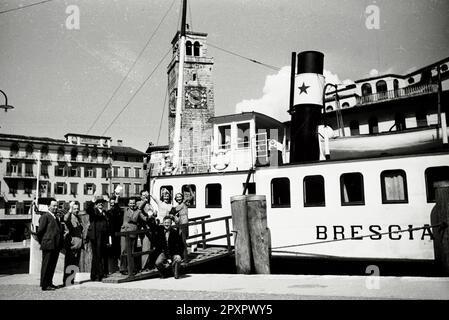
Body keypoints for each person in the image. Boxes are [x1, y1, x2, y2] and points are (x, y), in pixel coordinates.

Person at [35, 200, 63, 291]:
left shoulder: (55, 217)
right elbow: (40, 232)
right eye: (54, 206)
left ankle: (49, 282)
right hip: (48, 245)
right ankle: (44, 285)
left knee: (52, 265)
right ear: (49, 206)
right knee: (46, 265)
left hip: (55, 246)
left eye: (57, 206)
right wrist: (43, 242)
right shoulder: (45, 216)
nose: (55, 208)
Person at [119, 198, 149, 275]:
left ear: (136, 204)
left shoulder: (138, 211)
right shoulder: (126, 210)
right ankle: (123, 268)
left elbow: (145, 218)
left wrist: (151, 217)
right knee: (124, 250)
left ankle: (130, 268)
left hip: (133, 233)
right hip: (124, 232)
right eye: (130, 203)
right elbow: (117, 206)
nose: (132, 205)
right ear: (128, 204)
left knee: (132, 251)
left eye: (133, 203)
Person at [86, 197, 110, 281]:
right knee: (97, 256)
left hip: (103, 237)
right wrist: (92, 201)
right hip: (96, 237)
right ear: (96, 205)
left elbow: (107, 226)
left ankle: (98, 274)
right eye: (99, 203)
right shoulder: (94, 212)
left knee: (101, 255)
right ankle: (97, 275)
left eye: (102, 203)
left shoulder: (105, 213)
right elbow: (88, 210)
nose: (101, 204)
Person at [62, 201, 83, 286]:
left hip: (78, 244)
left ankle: (71, 280)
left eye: (77, 208)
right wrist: (70, 210)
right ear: (71, 209)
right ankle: (67, 281)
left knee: (75, 263)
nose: (77, 210)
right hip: (71, 245)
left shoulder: (78, 218)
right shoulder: (69, 216)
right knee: (69, 263)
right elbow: (65, 219)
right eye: (75, 209)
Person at [137, 190, 157, 271]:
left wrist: (155, 214)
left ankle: (149, 264)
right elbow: (139, 209)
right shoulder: (139, 203)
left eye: (147, 195)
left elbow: (151, 214)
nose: (146, 196)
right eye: (144, 195)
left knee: (150, 247)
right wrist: (144, 201)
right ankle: (143, 267)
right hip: (145, 229)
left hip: (151, 228)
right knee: (145, 248)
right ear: (141, 196)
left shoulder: (149, 204)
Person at [170, 193, 189, 261]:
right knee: (180, 241)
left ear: (182, 197)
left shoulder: (182, 204)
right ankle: (183, 256)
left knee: (183, 241)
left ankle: (185, 258)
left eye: (180, 197)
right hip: (180, 224)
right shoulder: (179, 206)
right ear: (175, 199)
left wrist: (189, 188)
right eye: (177, 197)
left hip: (184, 224)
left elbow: (172, 211)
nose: (179, 198)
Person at [106, 196, 123, 273]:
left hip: (118, 233)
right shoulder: (108, 212)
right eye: (111, 202)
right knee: (112, 252)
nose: (112, 204)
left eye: (114, 202)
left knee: (119, 251)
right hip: (111, 234)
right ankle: (113, 269)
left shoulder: (118, 211)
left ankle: (120, 268)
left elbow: (117, 210)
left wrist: (116, 203)